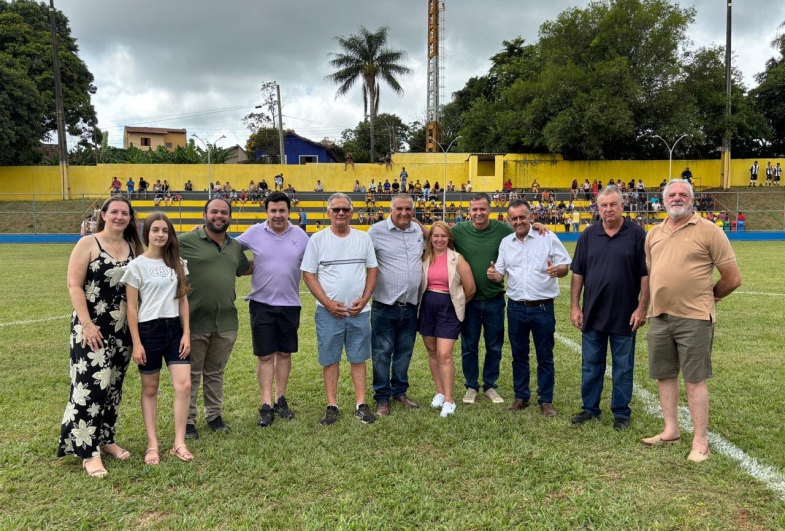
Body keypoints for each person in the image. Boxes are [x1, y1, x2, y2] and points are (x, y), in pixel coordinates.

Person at [642, 179, 742, 463]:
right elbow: (651, 273)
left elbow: (733, 278)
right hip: (660, 316)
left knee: (695, 379)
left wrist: (710, 299)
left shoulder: (710, 231)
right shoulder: (653, 234)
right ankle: (670, 430)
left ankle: (700, 441)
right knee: (665, 374)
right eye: (671, 194)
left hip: (695, 318)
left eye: (682, 194)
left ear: (692, 199)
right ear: (663, 200)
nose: (676, 198)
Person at [57, 196, 144, 477]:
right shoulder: (88, 243)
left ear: (130, 219)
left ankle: (106, 439)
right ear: (103, 215)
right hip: (92, 328)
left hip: (123, 330)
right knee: (90, 385)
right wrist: (87, 324)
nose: (119, 217)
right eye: (114, 212)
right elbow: (74, 284)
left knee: (113, 387)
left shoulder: (133, 247)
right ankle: (87, 451)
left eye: (125, 213)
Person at [569, 186, 649, 431]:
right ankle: (590, 409)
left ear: (622, 206)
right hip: (592, 314)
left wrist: (642, 308)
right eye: (603, 205)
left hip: (625, 316)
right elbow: (578, 273)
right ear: (597, 208)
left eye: (613, 204)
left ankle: (621, 413)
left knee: (623, 368)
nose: (608, 209)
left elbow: (646, 275)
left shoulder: (637, 235)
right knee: (591, 365)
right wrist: (575, 306)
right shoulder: (588, 235)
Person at [488, 200, 571, 417]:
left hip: (543, 307)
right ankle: (521, 397)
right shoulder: (506, 243)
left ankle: (545, 400)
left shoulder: (547, 237)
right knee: (519, 354)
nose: (518, 221)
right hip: (515, 308)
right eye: (514, 218)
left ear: (530, 216)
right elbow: (500, 273)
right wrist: (493, 275)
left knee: (545, 355)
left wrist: (558, 271)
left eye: (522, 217)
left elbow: (565, 266)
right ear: (509, 220)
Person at [301, 193, 379, 425]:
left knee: (358, 358)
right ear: (328, 213)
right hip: (328, 313)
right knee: (330, 359)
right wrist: (327, 303)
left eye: (345, 209)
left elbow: (372, 270)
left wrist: (365, 299)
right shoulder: (317, 240)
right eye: (336, 210)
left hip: (358, 312)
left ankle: (361, 404)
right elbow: (308, 274)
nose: (341, 213)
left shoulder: (363, 239)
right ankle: (332, 405)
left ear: (352, 212)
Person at [123, 213, 193, 465]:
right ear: (147, 233)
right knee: (150, 389)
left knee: (183, 386)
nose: (160, 234)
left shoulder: (178, 263)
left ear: (170, 234)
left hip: (174, 329)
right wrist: (137, 343)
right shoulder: (136, 266)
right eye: (155, 230)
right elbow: (131, 308)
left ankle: (179, 442)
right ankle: (152, 444)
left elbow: (183, 299)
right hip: (148, 330)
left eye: (165, 230)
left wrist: (186, 332)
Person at [179, 198, 251, 439]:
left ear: (230, 217)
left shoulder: (234, 247)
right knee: (192, 373)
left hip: (226, 321)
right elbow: (157, 251)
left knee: (215, 372)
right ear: (204, 215)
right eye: (214, 212)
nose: (219, 216)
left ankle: (214, 415)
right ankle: (188, 421)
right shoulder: (185, 241)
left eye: (224, 212)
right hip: (193, 321)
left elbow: (243, 269)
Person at [236, 191, 309, 427]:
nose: (278, 215)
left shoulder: (300, 235)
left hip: (290, 304)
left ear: (289, 211)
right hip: (262, 304)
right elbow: (229, 247)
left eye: (282, 210)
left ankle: (280, 399)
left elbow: (312, 264)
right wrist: (245, 267)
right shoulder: (255, 232)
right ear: (266, 211)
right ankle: (266, 405)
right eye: (273, 210)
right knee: (265, 355)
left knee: (284, 353)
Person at [452, 192, 514, 404]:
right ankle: (471, 386)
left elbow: (524, 232)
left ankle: (489, 385)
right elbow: (436, 235)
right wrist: (415, 221)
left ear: (490, 209)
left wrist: (540, 227)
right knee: (469, 345)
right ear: (469, 211)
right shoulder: (459, 231)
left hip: (494, 298)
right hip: (468, 300)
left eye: (482, 209)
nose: (478, 213)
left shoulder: (503, 229)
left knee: (494, 344)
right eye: (474, 209)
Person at [367, 194, 424, 417]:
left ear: (413, 211)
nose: (404, 213)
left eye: (408, 209)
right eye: (399, 208)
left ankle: (400, 392)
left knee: (404, 352)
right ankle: (382, 398)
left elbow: (440, 235)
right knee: (382, 352)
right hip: (385, 305)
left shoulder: (417, 231)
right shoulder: (376, 232)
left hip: (410, 306)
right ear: (391, 210)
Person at [418, 221, 476, 417]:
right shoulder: (425, 256)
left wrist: (455, 305)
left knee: (444, 354)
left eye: (443, 236)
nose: (439, 239)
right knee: (432, 351)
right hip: (426, 308)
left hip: (448, 310)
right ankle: (440, 392)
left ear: (449, 238)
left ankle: (450, 400)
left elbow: (470, 288)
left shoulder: (457, 259)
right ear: (430, 238)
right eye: (436, 236)